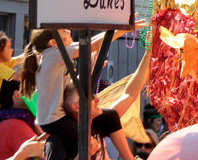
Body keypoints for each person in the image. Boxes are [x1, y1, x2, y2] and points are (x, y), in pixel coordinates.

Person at [20, 27, 140, 160]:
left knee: (111, 117)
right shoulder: (54, 54)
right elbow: (92, 45)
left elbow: (88, 42)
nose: (69, 31)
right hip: (54, 120)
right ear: (54, 42)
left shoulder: (53, 53)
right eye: (64, 32)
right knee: (87, 144)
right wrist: (121, 29)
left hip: (58, 116)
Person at [0, 80, 41, 160]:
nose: (36, 93)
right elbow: (45, 153)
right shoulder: (15, 125)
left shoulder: (5, 122)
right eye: (32, 89)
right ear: (17, 94)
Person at [0, 31, 21, 98]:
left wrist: (36, 51)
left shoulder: (2, 63)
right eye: (9, 47)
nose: (12, 50)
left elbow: (19, 59)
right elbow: (17, 76)